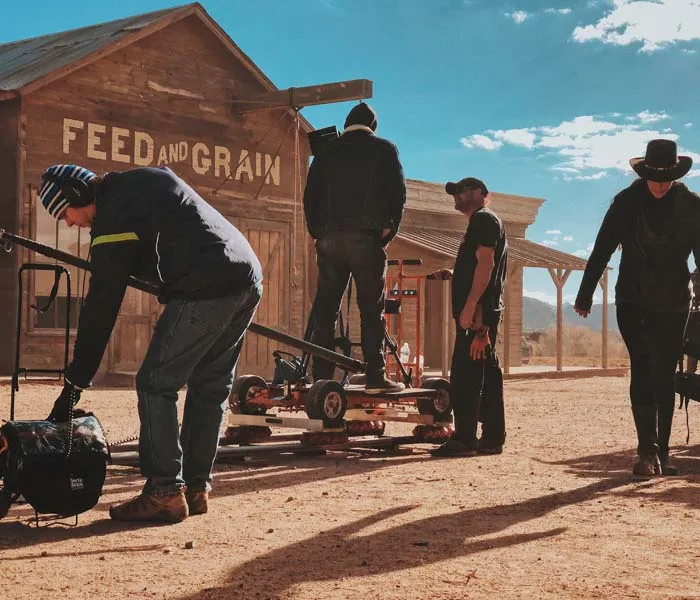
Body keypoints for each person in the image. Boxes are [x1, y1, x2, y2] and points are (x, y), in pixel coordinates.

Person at [39, 164, 263, 522]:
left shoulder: (114, 217)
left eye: (64, 213)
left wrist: (74, 384)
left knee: (155, 383)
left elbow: (101, 307)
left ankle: (164, 492)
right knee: (209, 386)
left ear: (77, 195)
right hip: (246, 275)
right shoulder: (138, 185)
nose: (68, 223)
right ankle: (195, 486)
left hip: (207, 284)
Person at [574, 139, 700, 477]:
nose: (659, 185)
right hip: (633, 299)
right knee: (643, 366)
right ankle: (647, 453)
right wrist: (585, 295)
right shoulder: (626, 203)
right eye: (654, 177)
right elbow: (601, 249)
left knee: (665, 374)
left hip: (675, 301)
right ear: (645, 174)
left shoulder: (692, 206)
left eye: (666, 178)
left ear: (675, 174)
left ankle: (665, 453)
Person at [303, 101, 407, 392]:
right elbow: (397, 194)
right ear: (372, 126)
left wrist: (317, 232)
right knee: (370, 310)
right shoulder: (385, 149)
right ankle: (375, 375)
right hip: (365, 239)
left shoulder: (325, 153)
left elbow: (309, 196)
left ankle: (321, 376)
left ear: (346, 123)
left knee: (326, 309)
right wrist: (385, 234)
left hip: (329, 239)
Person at [430, 177, 508, 457]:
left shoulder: (484, 220)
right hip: (481, 313)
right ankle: (492, 438)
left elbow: (486, 265)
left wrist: (473, 308)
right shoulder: (483, 222)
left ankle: (464, 439)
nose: (457, 197)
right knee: (487, 374)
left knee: (465, 375)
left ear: (481, 193)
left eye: (462, 191)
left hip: (479, 315)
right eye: (455, 193)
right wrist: (454, 275)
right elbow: (480, 265)